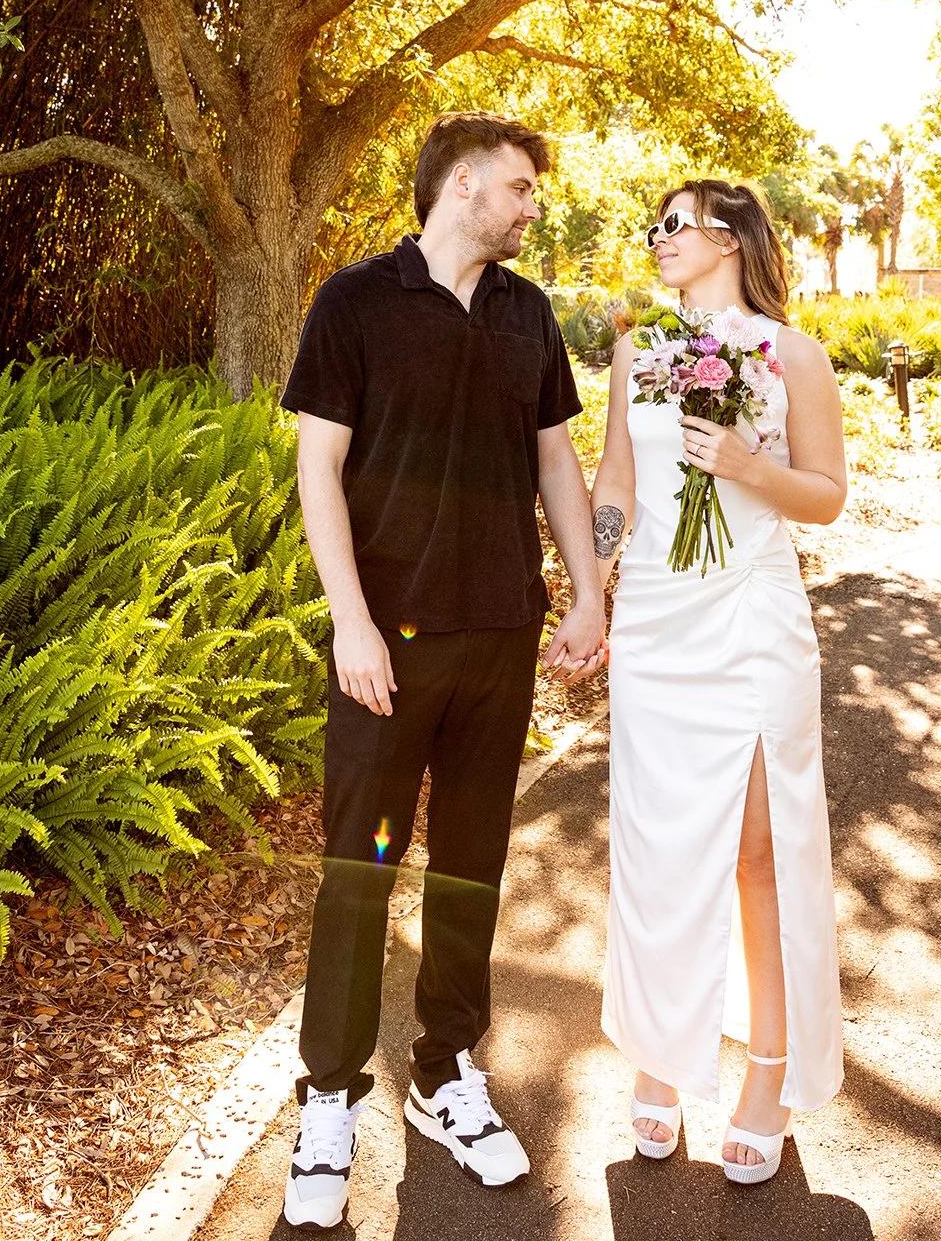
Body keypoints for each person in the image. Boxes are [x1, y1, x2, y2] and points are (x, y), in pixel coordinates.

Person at [279, 112, 605, 1229]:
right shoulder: (354, 301)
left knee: (470, 864)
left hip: (500, 636)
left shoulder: (526, 312)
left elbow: (554, 460)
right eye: (519, 188)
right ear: (461, 184)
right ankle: (329, 1096)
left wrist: (587, 592)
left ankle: (444, 1073)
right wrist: (350, 622)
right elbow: (318, 469)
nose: (530, 208)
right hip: (387, 646)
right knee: (356, 872)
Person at [591, 180, 846, 1187]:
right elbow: (617, 478)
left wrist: (747, 465)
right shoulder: (637, 350)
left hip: (749, 617)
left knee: (754, 854)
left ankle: (769, 1068)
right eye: (652, 225)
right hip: (655, 620)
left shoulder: (792, 354)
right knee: (656, 846)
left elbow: (824, 494)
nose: (657, 238)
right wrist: (591, 587)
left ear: (730, 237)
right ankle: (658, 1052)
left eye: (676, 223)